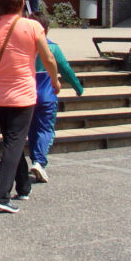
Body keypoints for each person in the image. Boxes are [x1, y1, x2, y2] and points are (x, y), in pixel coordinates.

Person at [0, 0, 59, 214]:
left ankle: (23, 185)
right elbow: (48, 58)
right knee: (13, 143)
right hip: (23, 96)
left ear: (0, 3)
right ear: (23, 2)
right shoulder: (32, 27)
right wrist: (55, 80)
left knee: (13, 140)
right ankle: (1, 195)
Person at [27, 14, 83, 184]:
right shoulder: (53, 49)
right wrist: (78, 88)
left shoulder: (25, 48)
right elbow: (66, 69)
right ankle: (39, 160)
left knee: (32, 129)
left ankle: (35, 157)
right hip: (48, 95)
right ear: (47, 29)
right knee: (46, 129)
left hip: (27, 95)